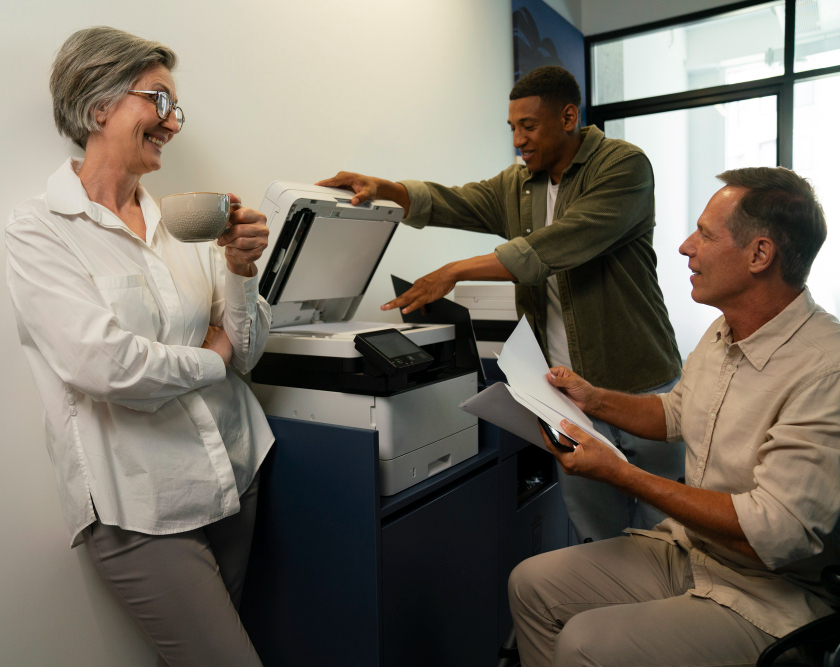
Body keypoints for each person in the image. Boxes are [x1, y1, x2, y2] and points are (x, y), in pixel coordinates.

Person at [318, 66, 683, 543]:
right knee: (596, 534)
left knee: (666, 530)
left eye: (527, 126)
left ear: (568, 117)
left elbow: (558, 246)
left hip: (641, 382)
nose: (518, 140)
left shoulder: (622, 166)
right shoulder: (518, 185)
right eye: (512, 128)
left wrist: (453, 271)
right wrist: (385, 189)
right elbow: (453, 201)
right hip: (567, 394)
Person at [5, 27, 272, 666]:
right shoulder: (39, 230)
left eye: (175, 108)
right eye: (158, 101)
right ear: (99, 105)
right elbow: (104, 364)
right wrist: (214, 359)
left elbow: (251, 347)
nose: (172, 123)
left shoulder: (184, 220)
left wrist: (238, 268)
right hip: (142, 505)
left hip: (237, 472)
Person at [508, 166, 839, 666]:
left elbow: (772, 531)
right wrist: (592, 399)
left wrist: (623, 475)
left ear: (759, 255)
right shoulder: (723, 332)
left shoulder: (825, 367)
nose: (686, 246)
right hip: (692, 551)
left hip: (769, 594)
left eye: (705, 234)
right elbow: (676, 411)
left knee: (585, 641)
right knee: (530, 582)